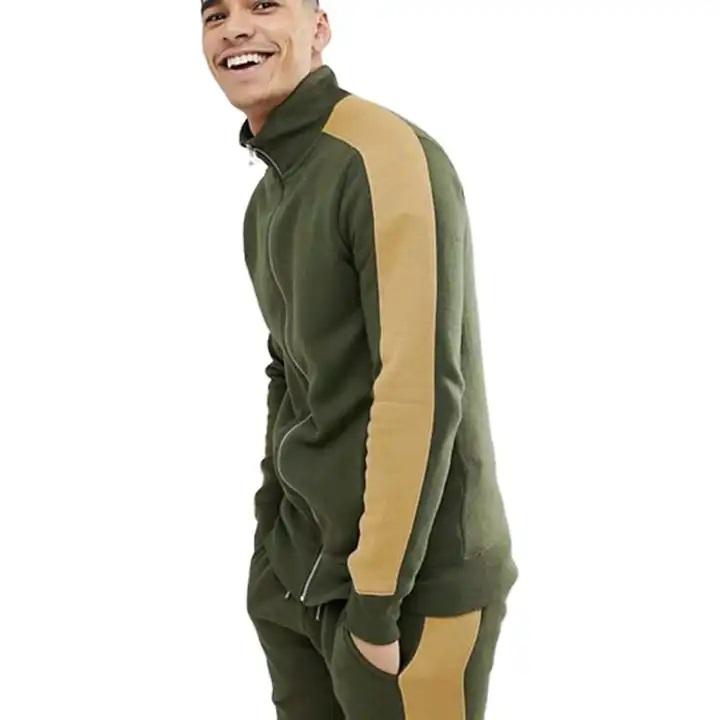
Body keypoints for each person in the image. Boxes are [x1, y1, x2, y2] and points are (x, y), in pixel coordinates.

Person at [201, 1, 519, 717]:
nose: (235, 28)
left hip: (408, 590)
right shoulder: (269, 197)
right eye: (214, 15)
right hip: (300, 574)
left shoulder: (383, 156)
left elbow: (418, 390)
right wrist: (269, 545)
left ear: (319, 28)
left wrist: (375, 604)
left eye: (264, 5)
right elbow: (289, 377)